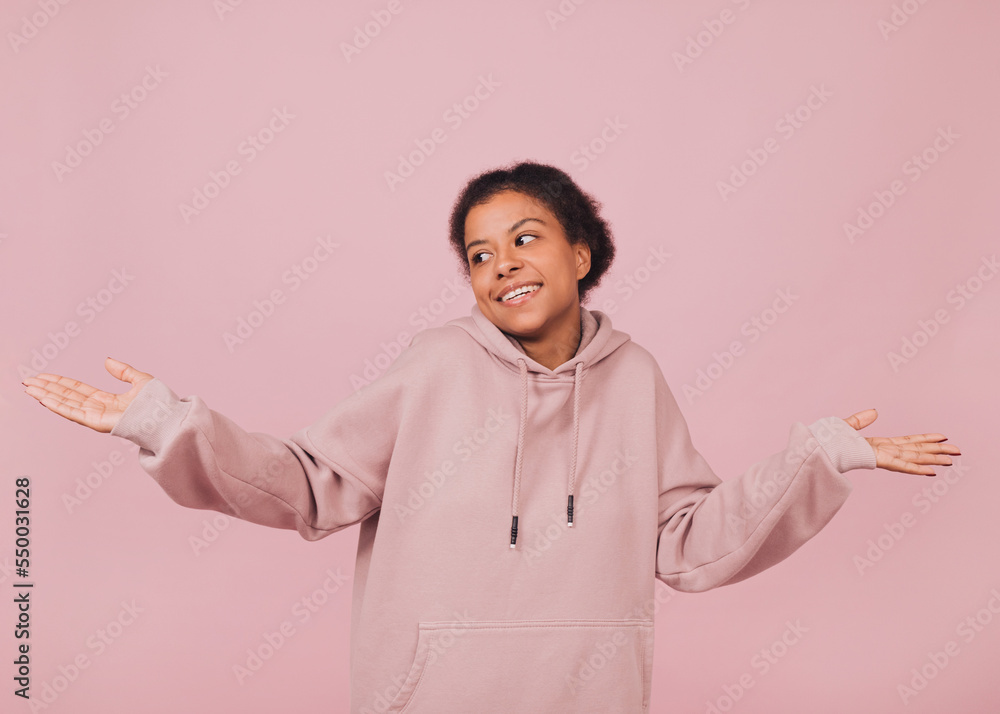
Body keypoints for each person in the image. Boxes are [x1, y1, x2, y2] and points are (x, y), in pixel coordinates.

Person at [22, 161, 959, 713]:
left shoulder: (634, 378)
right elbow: (308, 484)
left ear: (580, 254)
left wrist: (817, 456)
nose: (501, 266)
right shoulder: (434, 366)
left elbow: (686, 542)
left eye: (526, 239)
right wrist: (167, 423)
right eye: (479, 253)